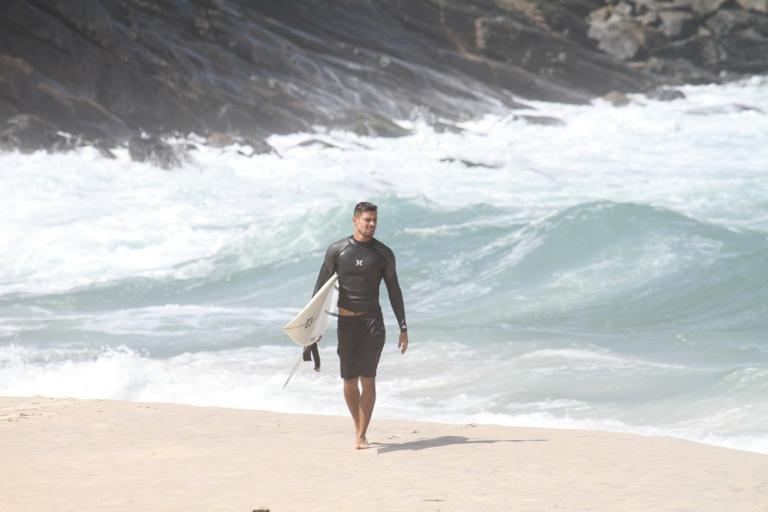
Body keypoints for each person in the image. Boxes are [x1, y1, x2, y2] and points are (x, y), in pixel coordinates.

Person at [309, 201, 408, 449]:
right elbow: (319, 292)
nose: (372, 225)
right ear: (355, 221)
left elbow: (394, 291)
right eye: (367, 220)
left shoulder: (383, 254)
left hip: (372, 322)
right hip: (346, 323)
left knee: (369, 378)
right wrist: (313, 328)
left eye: (375, 220)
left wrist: (403, 328)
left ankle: (361, 434)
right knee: (349, 381)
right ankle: (358, 427)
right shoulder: (337, 251)